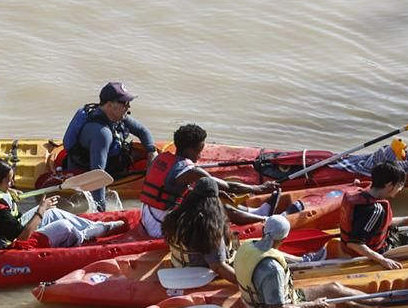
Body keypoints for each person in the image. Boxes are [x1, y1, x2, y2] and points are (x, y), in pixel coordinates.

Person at [140, 123, 281, 238]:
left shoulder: (161, 158)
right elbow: (229, 186)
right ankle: (267, 220)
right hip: (159, 227)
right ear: (189, 149)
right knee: (218, 208)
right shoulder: (190, 170)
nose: (201, 155)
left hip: (148, 216)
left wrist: (216, 193)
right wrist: (260, 188)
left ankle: (253, 211)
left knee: (210, 196)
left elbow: (173, 188)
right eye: (199, 150)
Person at [233, 215, 376, 308]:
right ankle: (379, 303)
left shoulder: (247, 245)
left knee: (334, 288)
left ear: (264, 231)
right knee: (337, 296)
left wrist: (300, 261)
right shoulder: (273, 269)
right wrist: (314, 305)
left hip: (253, 300)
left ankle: (373, 302)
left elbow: (271, 255)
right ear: (284, 239)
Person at [0, 159, 126, 249]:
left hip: (8, 229)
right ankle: (85, 235)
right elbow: (21, 237)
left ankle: (98, 227)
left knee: (53, 212)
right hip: (5, 244)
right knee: (64, 227)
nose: (12, 183)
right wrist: (40, 210)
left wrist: (8, 191)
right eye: (9, 181)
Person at [62, 81, 157, 211]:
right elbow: (98, 176)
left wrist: (152, 151)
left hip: (106, 160)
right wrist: (101, 210)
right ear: (110, 105)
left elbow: (142, 131)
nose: (128, 106)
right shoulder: (102, 134)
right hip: (90, 170)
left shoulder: (115, 116)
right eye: (124, 103)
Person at [339, 161, 408, 270]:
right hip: (380, 251)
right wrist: (382, 260)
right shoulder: (374, 210)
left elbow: (379, 223)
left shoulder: (361, 195)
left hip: (385, 239)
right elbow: (354, 243)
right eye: (399, 186)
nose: (400, 189)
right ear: (389, 185)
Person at [161, 177, 239, 284]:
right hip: (201, 275)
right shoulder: (209, 226)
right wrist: (245, 286)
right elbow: (217, 267)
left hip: (179, 266)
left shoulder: (174, 216)